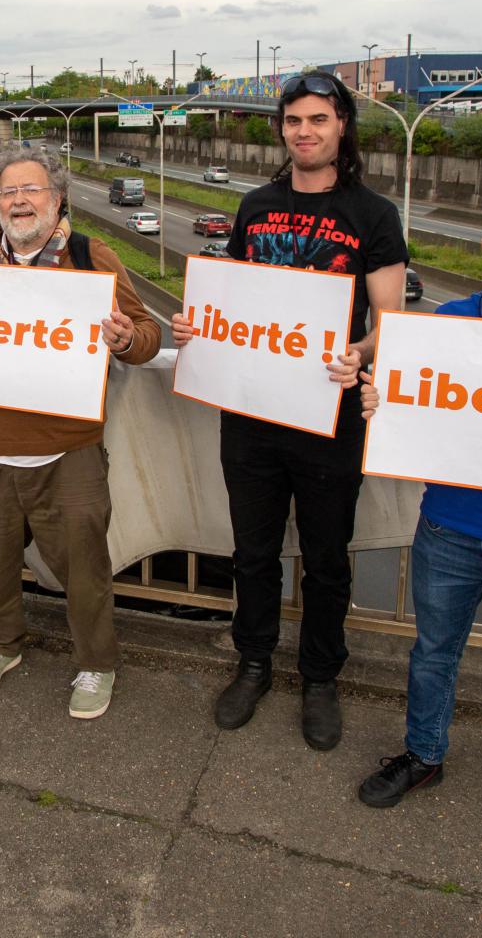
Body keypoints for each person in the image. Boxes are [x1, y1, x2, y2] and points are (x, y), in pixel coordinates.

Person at [172, 71, 407, 750]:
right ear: (283, 129)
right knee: (253, 552)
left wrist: (360, 353)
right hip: (249, 413)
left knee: (327, 558)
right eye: (294, 120)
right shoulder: (255, 206)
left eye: (318, 120)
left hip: (330, 415)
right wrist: (195, 327)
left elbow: (391, 322)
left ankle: (320, 678)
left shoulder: (372, 214)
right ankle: (253, 663)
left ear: (342, 128)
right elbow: (233, 301)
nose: (305, 132)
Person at [0, 146, 160, 719]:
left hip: (68, 451)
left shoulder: (90, 258)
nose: (19, 201)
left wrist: (125, 340)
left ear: (57, 198)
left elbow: (146, 334)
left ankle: (96, 662)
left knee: (85, 572)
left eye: (31, 190)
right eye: (8, 192)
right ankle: (0, 644)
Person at [357, 214, 482, 807]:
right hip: (450, 526)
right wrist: (384, 404)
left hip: (450, 526)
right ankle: (424, 754)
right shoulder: (450, 324)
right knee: (434, 652)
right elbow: (413, 400)